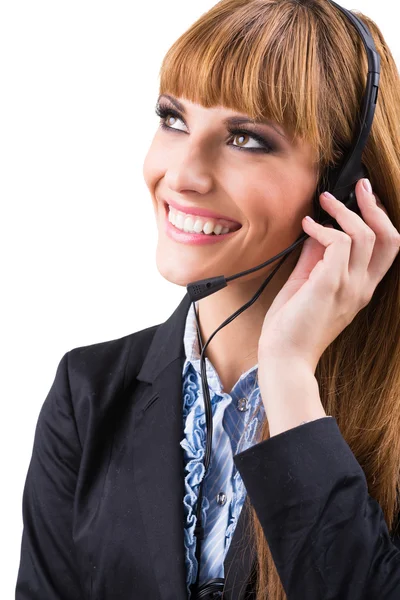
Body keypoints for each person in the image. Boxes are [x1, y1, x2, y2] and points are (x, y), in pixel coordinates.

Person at [16, 0, 400, 599]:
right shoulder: (86, 395)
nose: (184, 175)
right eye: (173, 120)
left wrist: (289, 377)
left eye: (247, 138)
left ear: (344, 188)